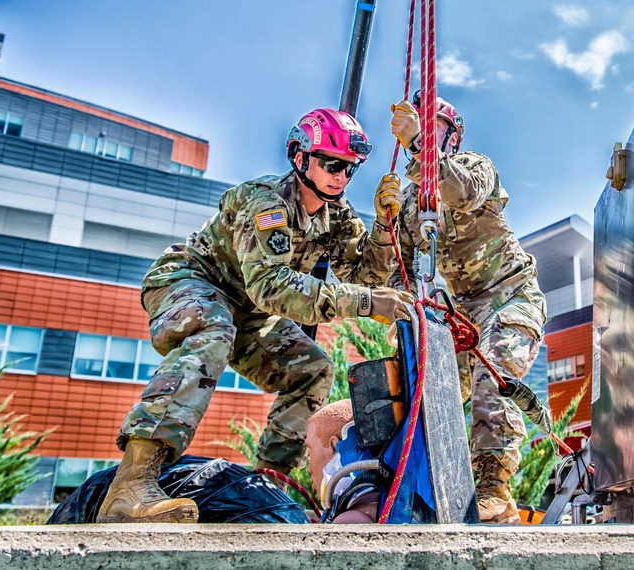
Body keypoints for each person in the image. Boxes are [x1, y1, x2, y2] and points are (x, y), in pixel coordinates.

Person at [98, 108, 411, 523]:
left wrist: (385, 229)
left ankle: (267, 490)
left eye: (349, 169)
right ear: (301, 157)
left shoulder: (337, 216)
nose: (341, 176)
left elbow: (365, 273)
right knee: (213, 330)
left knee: (312, 369)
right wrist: (369, 303)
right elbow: (272, 287)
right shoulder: (264, 201)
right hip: (192, 281)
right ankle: (132, 485)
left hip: (245, 308)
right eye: (332, 164)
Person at [388, 94, 547, 524]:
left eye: (434, 127)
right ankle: (410, 481)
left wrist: (422, 147)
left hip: (511, 295)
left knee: (492, 374)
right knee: (425, 387)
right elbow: (393, 271)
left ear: (451, 137)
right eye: (419, 126)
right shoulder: (410, 204)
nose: (426, 133)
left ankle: (494, 486)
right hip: (464, 315)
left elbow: (462, 192)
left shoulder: (476, 167)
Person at [305, 399, 380, 524]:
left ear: (334, 446)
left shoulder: (350, 520)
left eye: (309, 453)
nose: (308, 469)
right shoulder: (387, 503)